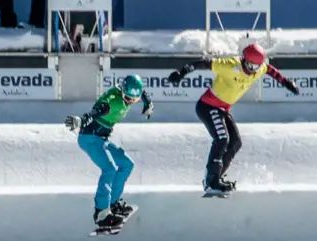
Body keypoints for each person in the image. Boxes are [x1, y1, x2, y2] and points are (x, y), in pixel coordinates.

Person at [166, 43, 299, 196]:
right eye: (249, 65)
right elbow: (203, 62)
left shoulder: (259, 68)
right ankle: (211, 180)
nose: (251, 70)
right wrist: (181, 72)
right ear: (243, 59)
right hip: (208, 106)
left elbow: (270, 70)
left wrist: (286, 82)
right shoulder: (231, 65)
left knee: (235, 142)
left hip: (223, 109)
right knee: (222, 139)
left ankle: (217, 177)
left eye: (255, 67)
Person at [65, 74, 152, 231]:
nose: (130, 102)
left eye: (134, 100)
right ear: (122, 92)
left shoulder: (131, 92)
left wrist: (148, 102)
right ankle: (101, 213)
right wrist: (81, 120)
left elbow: (142, 92)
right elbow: (95, 112)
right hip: (89, 138)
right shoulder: (112, 100)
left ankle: (113, 204)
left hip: (101, 138)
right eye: (127, 98)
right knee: (109, 169)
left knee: (127, 164)